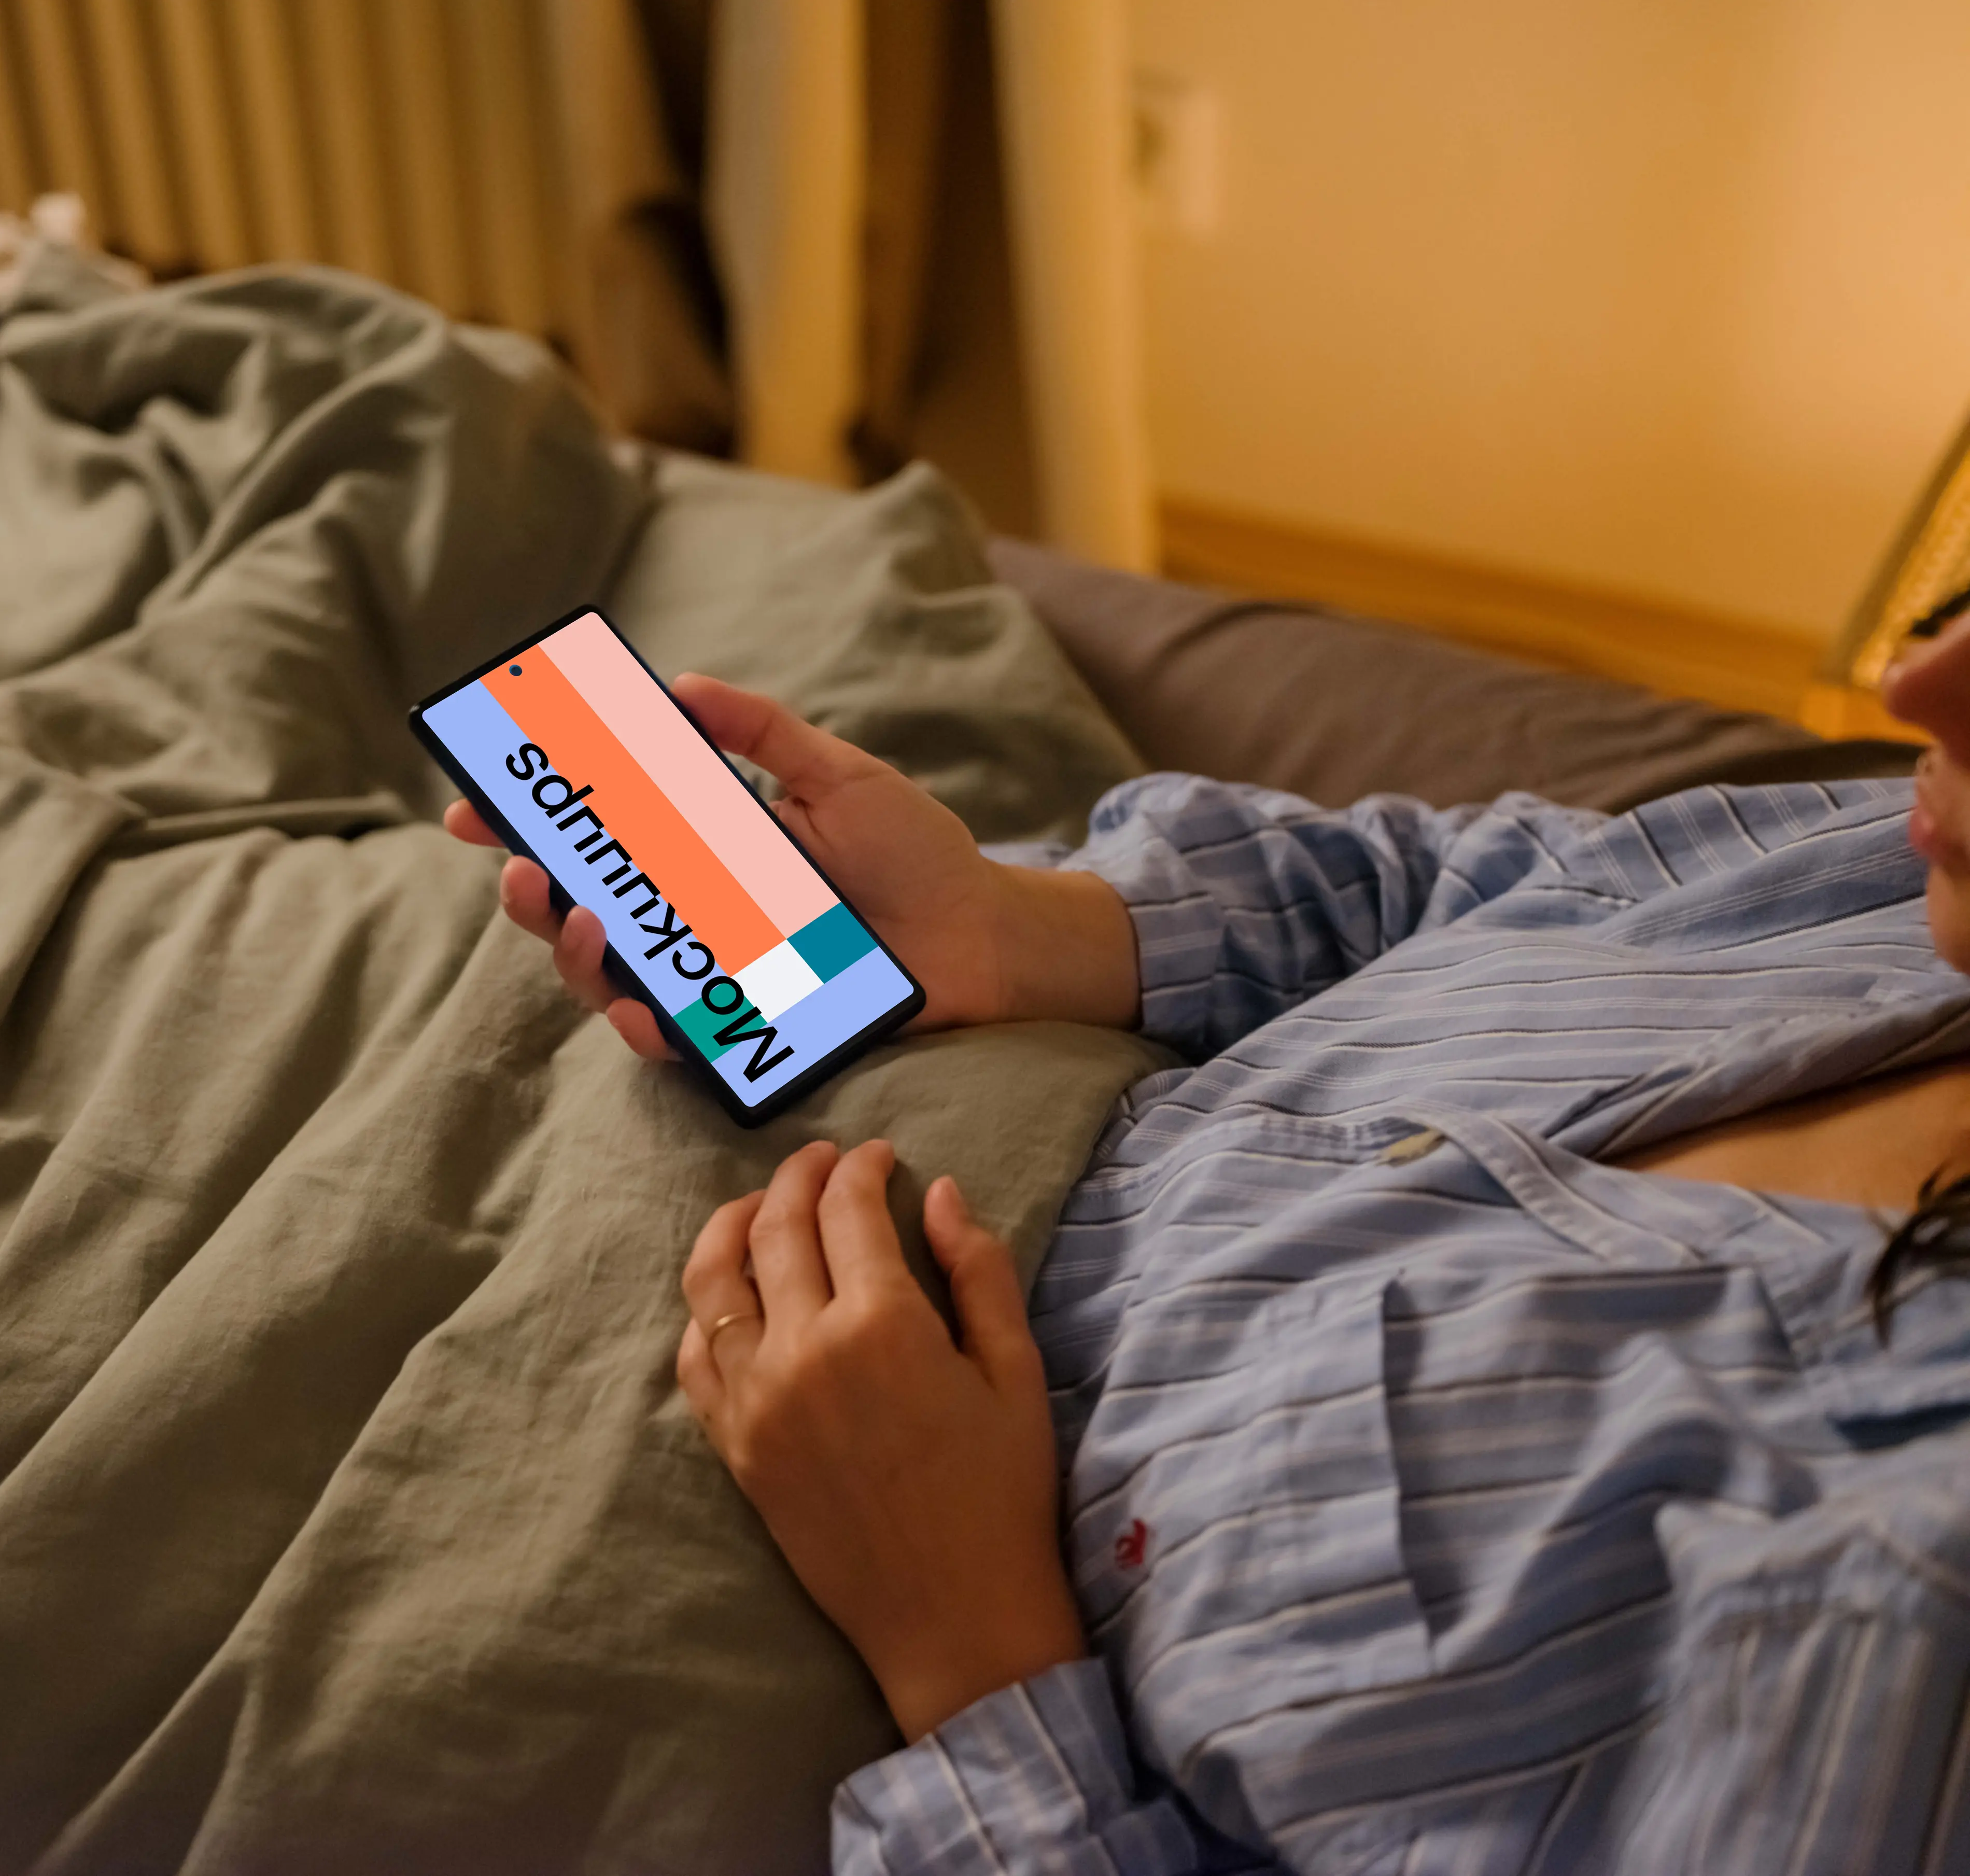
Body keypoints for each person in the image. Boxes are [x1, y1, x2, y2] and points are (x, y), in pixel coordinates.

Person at [444, 592, 1970, 1874]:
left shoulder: (1904, 1610)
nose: (1919, 681)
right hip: (733, 1091)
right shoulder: (1892, 866)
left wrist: (967, 1653)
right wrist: (1007, 925)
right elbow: (1469, 885)